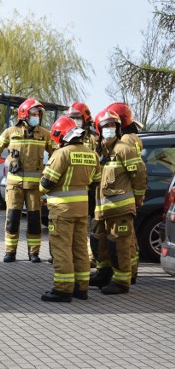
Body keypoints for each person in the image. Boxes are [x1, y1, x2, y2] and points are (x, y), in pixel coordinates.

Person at [40, 116, 101, 302]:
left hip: (62, 211)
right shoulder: (92, 153)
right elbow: (95, 181)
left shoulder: (61, 154)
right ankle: (81, 288)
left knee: (62, 249)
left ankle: (63, 289)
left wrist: (42, 187)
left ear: (60, 135)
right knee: (81, 249)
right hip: (82, 210)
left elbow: (46, 183)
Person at [0, 98, 56, 263]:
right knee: (12, 219)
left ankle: (34, 253)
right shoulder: (10, 132)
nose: (37, 117)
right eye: (34, 114)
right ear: (24, 114)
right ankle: (10, 252)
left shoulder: (45, 135)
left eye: (39, 114)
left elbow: (58, 154)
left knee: (34, 220)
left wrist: (51, 174)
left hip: (35, 187)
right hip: (14, 185)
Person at [89, 110, 147, 294]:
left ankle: (122, 281)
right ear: (99, 129)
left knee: (119, 245)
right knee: (100, 243)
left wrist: (137, 199)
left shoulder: (124, 149)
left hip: (120, 210)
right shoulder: (99, 151)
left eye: (112, 125)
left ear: (118, 128)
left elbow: (139, 175)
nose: (109, 129)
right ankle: (104, 274)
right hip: (101, 210)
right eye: (105, 126)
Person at [106, 102, 145, 283]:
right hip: (128, 195)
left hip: (123, 195)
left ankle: (128, 274)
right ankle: (132, 271)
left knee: (125, 240)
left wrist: (138, 196)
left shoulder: (125, 141)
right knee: (129, 238)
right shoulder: (133, 137)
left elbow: (136, 170)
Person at [67, 102, 100, 266]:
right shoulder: (66, 136)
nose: (74, 121)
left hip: (90, 188)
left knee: (90, 224)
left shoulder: (94, 138)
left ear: (85, 118)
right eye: (71, 118)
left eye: (77, 118)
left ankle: (90, 257)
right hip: (72, 188)